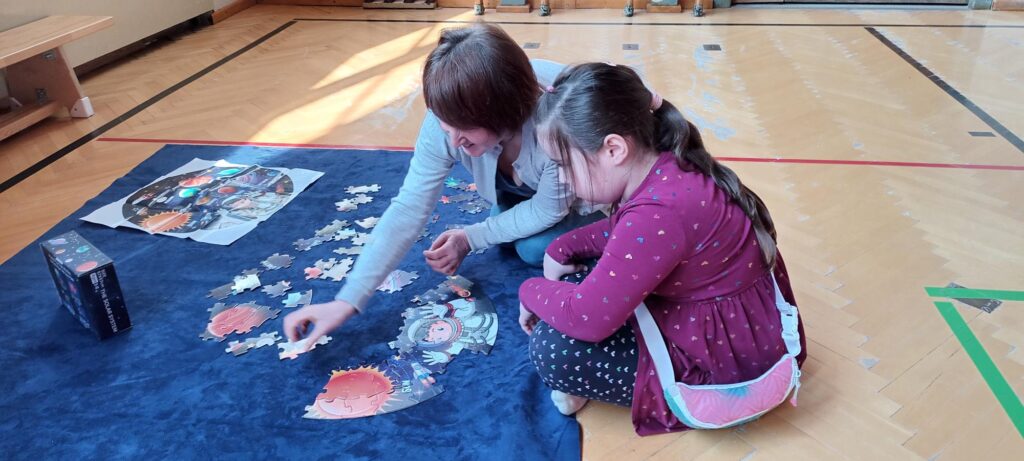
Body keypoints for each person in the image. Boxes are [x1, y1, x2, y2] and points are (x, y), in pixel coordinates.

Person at [517, 63, 807, 435]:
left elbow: (588, 317)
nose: (560, 177)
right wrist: (566, 245)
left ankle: (627, 388)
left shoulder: (658, 213)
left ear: (614, 149)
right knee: (581, 277)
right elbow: (629, 235)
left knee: (553, 349)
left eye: (562, 164)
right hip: (735, 328)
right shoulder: (667, 164)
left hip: (726, 367)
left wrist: (529, 290)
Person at [284, 24, 600, 346]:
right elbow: (410, 205)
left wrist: (471, 237)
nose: (454, 140)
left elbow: (547, 209)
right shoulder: (448, 113)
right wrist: (347, 300)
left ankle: (608, 228)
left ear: (505, 112)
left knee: (532, 248)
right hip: (531, 185)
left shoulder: (555, 125)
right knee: (509, 231)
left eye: (466, 129)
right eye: (446, 126)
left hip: (587, 190)